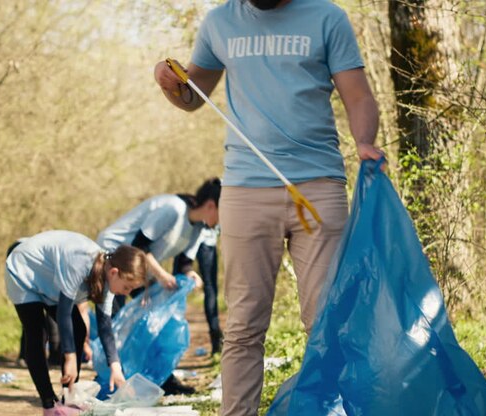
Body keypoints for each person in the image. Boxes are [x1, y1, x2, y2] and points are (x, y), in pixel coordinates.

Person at [153, 1, 383, 414]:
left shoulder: (327, 18)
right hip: (244, 189)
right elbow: (194, 96)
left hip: (318, 188)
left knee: (326, 322)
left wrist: (364, 140)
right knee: (243, 326)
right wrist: (169, 82)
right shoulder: (220, 21)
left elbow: (359, 95)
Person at [96, 177, 221, 395]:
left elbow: (184, 263)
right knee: (119, 321)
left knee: (156, 321)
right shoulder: (173, 209)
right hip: (116, 258)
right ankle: (109, 379)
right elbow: (139, 245)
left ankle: (162, 377)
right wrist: (161, 275)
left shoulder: (199, 228)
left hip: (140, 268)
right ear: (211, 205)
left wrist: (191, 274)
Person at [5, 230, 147, 416]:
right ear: (114, 272)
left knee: (79, 329)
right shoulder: (80, 263)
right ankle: (49, 404)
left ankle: (68, 400)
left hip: (50, 279)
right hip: (25, 270)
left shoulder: (108, 280)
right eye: (127, 287)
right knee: (38, 333)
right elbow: (64, 313)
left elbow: (105, 327)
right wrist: (70, 357)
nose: (126, 293)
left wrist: (115, 367)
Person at [172, 226, 222, 355]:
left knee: (176, 287)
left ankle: (172, 338)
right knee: (210, 287)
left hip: (187, 239)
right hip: (205, 241)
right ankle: (216, 341)